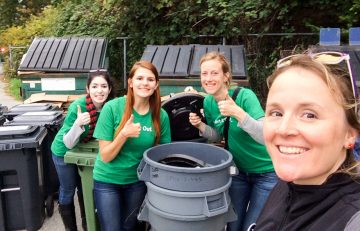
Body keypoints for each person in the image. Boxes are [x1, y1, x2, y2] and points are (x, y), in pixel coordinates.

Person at [255, 52, 360, 230]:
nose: (284, 129)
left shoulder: (353, 220)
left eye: (309, 115)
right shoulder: (286, 187)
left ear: (349, 134)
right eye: (276, 113)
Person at [189, 51, 278, 231]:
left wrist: (237, 112)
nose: (208, 78)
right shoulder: (209, 102)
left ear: (226, 76)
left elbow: (265, 135)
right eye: (204, 73)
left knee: (252, 226)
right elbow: (219, 136)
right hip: (237, 173)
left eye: (214, 73)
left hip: (266, 173)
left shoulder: (245, 96)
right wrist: (200, 126)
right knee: (233, 225)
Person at [92, 60, 171, 231]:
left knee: (130, 227)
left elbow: (162, 155)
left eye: (150, 79)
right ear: (130, 82)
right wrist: (123, 135)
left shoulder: (160, 115)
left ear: (156, 84)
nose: (144, 83)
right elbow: (105, 156)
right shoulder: (112, 108)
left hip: (137, 182)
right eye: (140, 78)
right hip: (108, 181)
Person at [51, 70, 114, 231]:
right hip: (64, 150)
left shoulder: (110, 107)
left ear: (110, 89)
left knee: (84, 187)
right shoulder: (78, 107)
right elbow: (68, 142)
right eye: (95, 86)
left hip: (83, 150)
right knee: (68, 188)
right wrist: (78, 124)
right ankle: (70, 228)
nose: (99, 90)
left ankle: (88, 225)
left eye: (104, 86)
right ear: (87, 89)